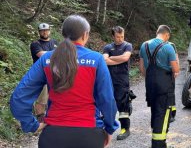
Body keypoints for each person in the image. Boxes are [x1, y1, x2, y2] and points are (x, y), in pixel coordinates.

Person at [10, 15, 118, 148]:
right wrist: (109, 128)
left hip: (53, 136)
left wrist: (31, 124)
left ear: (63, 34)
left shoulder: (47, 59)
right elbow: (107, 99)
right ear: (85, 35)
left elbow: (19, 96)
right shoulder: (96, 60)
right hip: (89, 134)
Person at [139, 25, 179, 148]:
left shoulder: (144, 45)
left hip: (150, 85)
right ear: (167, 35)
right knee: (162, 114)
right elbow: (176, 69)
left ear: (157, 33)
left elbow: (142, 69)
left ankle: (157, 140)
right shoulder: (168, 47)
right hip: (164, 86)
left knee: (154, 111)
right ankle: (159, 144)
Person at [103, 26, 133, 140]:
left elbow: (126, 58)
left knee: (123, 104)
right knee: (107, 103)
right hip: (109, 79)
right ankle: (106, 129)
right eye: (117, 37)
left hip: (122, 80)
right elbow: (104, 60)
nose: (120, 39)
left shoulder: (127, 45)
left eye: (122, 36)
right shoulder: (108, 47)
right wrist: (118, 59)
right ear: (113, 36)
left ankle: (125, 128)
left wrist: (111, 58)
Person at [29, 23, 58, 121]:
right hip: (41, 75)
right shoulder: (35, 44)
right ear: (39, 32)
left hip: (54, 74)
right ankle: (39, 119)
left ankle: (52, 119)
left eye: (46, 30)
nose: (45, 32)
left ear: (49, 31)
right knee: (42, 99)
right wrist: (57, 52)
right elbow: (41, 55)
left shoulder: (55, 42)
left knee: (55, 97)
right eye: (42, 30)